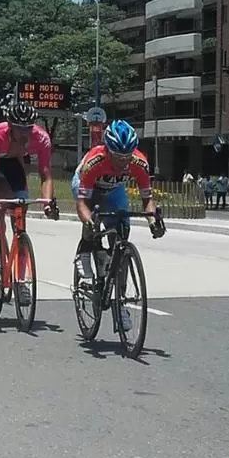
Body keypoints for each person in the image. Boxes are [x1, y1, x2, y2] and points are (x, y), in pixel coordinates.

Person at [72, 119, 165, 327]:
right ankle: (85, 253)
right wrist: (90, 222)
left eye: (127, 156)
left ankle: (119, 303)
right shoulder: (95, 161)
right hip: (88, 187)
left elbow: (146, 199)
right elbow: (81, 205)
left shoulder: (139, 162)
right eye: (118, 157)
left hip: (114, 191)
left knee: (121, 242)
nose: (124, 161)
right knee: (92, 223)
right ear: (108, 150)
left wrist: (153, 222)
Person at [0, 102, 54, 275]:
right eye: (20, 128)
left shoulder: (41, 138)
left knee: (20, 214)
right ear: (10, 125)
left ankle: (20, 280)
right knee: (0, 204)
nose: (24, 133)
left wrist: (47, 203)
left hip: (14, 163)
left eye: (28, 128)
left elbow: (46, 174)